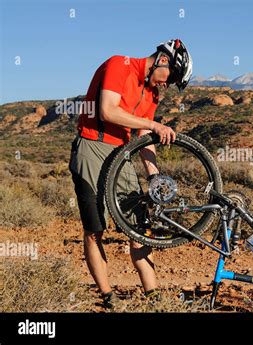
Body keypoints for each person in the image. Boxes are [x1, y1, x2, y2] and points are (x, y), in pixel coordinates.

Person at [68, 39, 193, 308]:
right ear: (162, 60)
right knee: (94, 229)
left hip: (121, 153)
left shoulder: (152, 93)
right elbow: (108, 110)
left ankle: (153, 293)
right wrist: (154, 124)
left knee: (139, 225)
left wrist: (153, 175)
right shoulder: (119, 65)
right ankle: (108, 296)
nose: (166, 85)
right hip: (92, 145)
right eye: (170, 78)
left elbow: (144, 135)